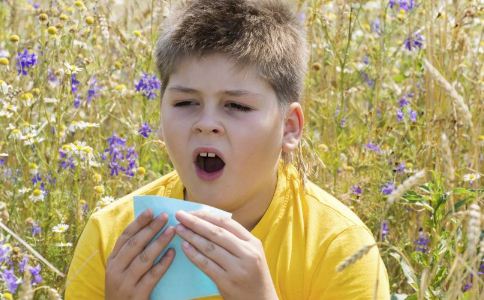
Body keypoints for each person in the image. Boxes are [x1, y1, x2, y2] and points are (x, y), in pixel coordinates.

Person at [65, 0, 390, 299]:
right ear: (160, 117)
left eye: (236, 105)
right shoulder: (113, 239)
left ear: (289, 127)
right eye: (185, 102)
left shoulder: (339, 247)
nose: (206, 123)